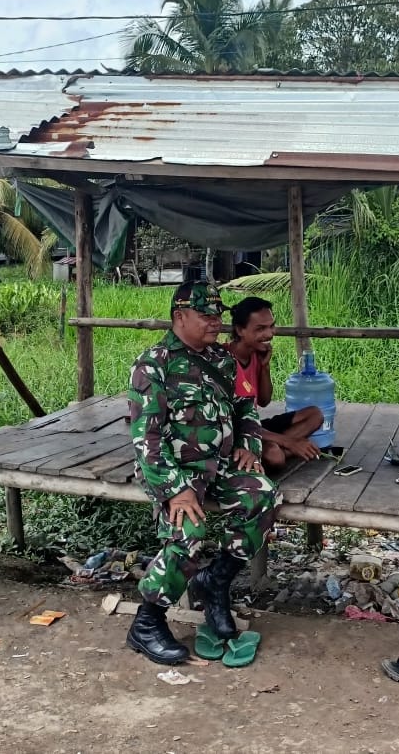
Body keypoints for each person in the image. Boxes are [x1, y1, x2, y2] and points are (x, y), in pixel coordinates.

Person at [126, 281, 280, 665]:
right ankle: (147, 622)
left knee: (261, 495)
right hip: (174, 469)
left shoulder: (223, 359)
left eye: (218, 315)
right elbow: (146, 439)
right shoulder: (153, 365)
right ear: (180, 317)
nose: (216, 323)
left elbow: (246, 408)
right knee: (189, 533)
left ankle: (215, 583)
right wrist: (176, 490)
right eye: (206, 316)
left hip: (222, 462)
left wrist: (249, 445)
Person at [225, 297, 325, 472]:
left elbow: (264, 400)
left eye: (271, 326)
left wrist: (264, 368)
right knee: (275, 457)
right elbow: (238, 424)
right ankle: (283, 449)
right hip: (236, 431)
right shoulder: (223, 361)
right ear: (240, 330)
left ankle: (280, 447)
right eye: (260, 329)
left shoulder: (257, 354)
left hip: (255, 426)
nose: (270, 334)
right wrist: (289, 441)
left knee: (315, 414)